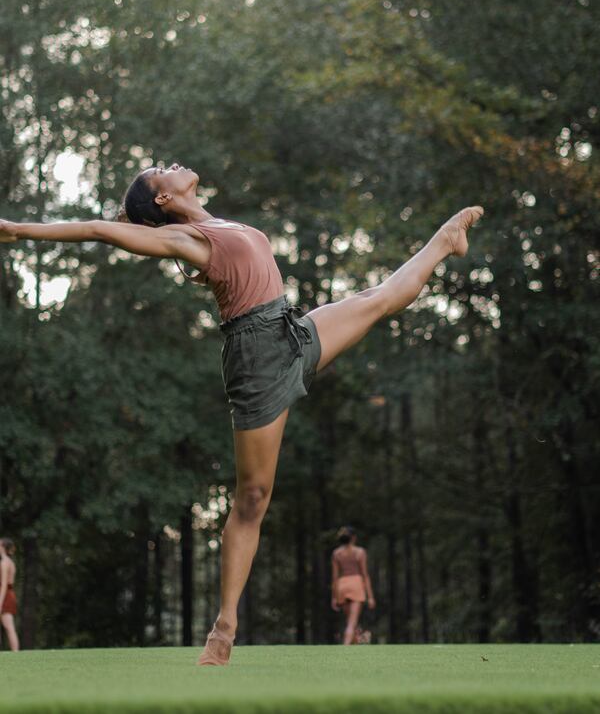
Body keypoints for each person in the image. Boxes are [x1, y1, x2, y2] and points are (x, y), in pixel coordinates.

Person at [0, 162, 483, 664]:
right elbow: (98, 230)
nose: (172, 165)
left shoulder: (216, 223)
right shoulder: (185, 239)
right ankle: (223, 629)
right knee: (252, 497)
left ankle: (445, 240)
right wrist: (15, 229)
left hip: (288, 328)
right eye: (160, 170)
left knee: (376, 298)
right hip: (255, 356)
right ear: (163, 199)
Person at [331, 527, 375, 645]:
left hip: (342, 585)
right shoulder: (359, 552)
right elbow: (365, 575)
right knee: (352, 622)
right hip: (356, 584)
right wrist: (370, 596)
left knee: (351, 621)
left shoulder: (337, 553)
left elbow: (335, 577)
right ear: (353, 538)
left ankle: (355, 648)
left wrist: (334, 597)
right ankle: (346, 647)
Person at [0, 538, 20, 652]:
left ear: (3, 548)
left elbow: (3, 585)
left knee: (9, 626)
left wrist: (0, 602)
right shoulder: (10, 562)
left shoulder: (4, 562)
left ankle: (16, 653)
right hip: (8, 593)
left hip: (5, 595)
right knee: (9, 627)